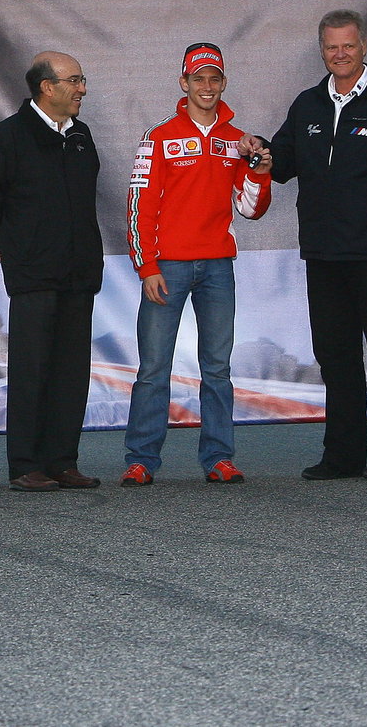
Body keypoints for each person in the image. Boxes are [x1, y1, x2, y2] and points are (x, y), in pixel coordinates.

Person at [248, 10, 367, 481]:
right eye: (332, 47)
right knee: (336, 356)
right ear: (322, 50)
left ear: (364, 46)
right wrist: (265, 154)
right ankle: (342, 456)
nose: (340, 54)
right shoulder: (308, 104)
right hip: (324, 254)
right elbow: (284, 160)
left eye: (347, 46)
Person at [122, 43, 272, 487]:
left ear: (223, 83)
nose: (206, 86)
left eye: (214, 78)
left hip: (217, 267)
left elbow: (249, 209)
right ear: (183, 83)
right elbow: (139, 205)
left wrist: (260, 169)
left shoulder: (238, 139)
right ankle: (141, 459)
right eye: (198, 78)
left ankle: (219, 458)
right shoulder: (160, 136)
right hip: (166, 267)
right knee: (153, 368)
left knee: (217, 368)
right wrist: (146, 266)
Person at [0, 51, 105, 492]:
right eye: (75, 80)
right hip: (33, 275)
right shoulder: (4, 138)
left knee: (71, 370)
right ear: (48, 87)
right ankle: (25, 464)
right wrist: (11, 246)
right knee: (33, 369)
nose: (83, 88)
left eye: (82, 80)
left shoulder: (81, 136)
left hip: (79, 273)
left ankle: (63, 461)